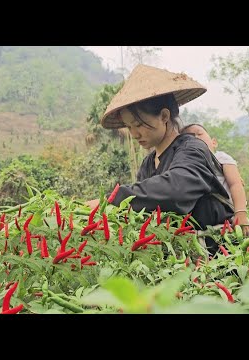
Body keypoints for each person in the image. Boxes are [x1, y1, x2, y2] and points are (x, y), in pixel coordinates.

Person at [86, 64, 234, 256]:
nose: (134, 134)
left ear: (164, 116)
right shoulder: (148, 164)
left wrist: (113, 200)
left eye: (138, 124)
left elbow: (175, 189)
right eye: (129, 127)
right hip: (180, 263)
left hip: (218, 262)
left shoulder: (192, 149)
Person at [181, 124, 249, 236]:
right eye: (189, 137)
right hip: (202, 230)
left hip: (230, 221)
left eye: (199, 134)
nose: (196, 138)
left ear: (214, 142)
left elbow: (235, 184)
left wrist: (241, 213)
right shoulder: (184, 167)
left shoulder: (220, 158)